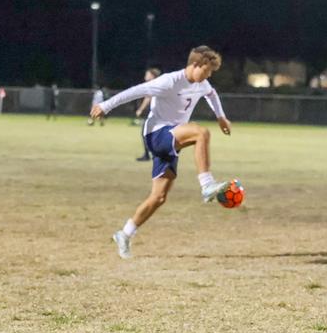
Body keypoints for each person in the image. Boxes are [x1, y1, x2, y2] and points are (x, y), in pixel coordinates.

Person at [90, 45, 232, 259]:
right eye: (207, 70)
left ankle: (125, 233)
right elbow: (136, 91)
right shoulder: (169, 81)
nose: (209, 75)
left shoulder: (202, 83)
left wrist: (221, 117)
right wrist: (106, 106)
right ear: (195, 64)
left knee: (158, 197)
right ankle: (206, 185)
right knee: (200, 133)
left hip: (172, 138)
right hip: (156, 134)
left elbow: (211, 94)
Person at [134, 67, 162, 161]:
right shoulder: (159, 84)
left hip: (157, 114)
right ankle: (152, 154)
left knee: (146, 132)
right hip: (159, 114)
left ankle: (149, 155)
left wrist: (140, 109)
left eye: (147, 74)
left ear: (152, 76)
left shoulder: (153, 85)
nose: (145, 76)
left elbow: (148, 98)